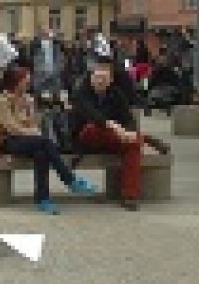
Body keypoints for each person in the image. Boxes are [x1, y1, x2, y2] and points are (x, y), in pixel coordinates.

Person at [0, 66, 96, 214]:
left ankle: (43, 199)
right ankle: (69, 179)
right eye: (25, 80)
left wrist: (30, 108)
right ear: (15, 82)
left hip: (26, 140)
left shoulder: (27, 99)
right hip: (4, 141)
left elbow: (34, 124)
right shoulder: (1, 100)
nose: (28, 83)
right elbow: (10, 128)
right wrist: (33, 132)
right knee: (45, 142)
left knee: (42, 153)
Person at [70, 61, 170, 211]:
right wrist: (115, 127)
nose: (100, 80)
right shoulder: (81, 93)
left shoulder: (115, 93)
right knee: (93, 128)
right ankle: (145, 139)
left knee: (133, 147)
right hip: (86, 140)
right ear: (91, 78)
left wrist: (128, 132)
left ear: (110, 80)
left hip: (112, 138)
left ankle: (129, 195)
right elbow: (92, 115)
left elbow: (128, 119)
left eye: (104, 78)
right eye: (97, 77)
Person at [28, 25, 64, 109]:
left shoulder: (55, 43)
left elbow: (62, 51)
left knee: (56, 95)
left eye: (47, 30)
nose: (46, 32)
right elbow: (31, 53)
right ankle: (40, 109)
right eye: (43, 31)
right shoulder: (36, 43)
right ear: (39, 33)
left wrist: (54, 37)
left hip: (54, 73)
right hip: (40, 74)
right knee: (39, 95)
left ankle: (55, 111)